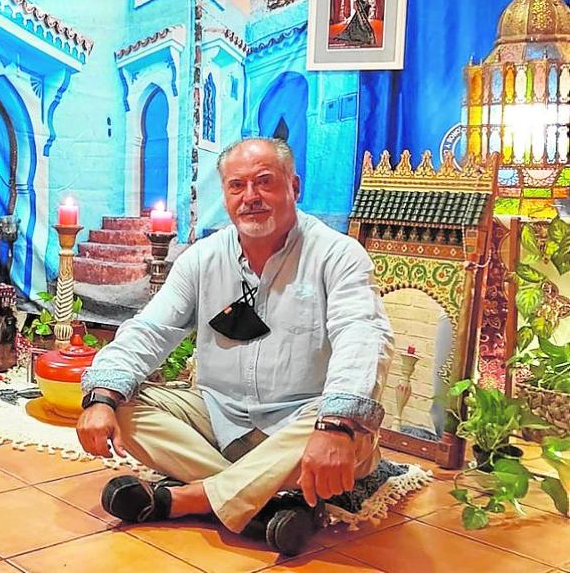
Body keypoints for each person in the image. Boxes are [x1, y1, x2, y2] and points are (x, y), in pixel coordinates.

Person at [77, 137, 392, 556]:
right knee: (125, 408)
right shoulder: (202, 259)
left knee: (348, 429)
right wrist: (101, 398)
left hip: (303, 427)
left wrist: (334, 427)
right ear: (224, 195)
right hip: (219, 419)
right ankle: (268, 500)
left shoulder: (337, 255)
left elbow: (362, 334)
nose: (251, 197)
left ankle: (186, 500)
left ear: (293, 187)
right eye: (237, 186)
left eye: (265, 183)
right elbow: (150, 329)